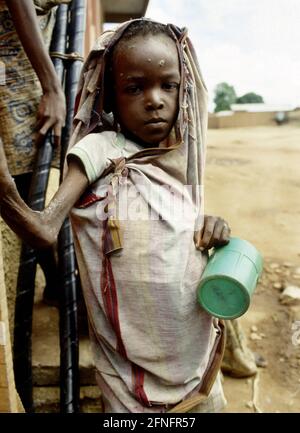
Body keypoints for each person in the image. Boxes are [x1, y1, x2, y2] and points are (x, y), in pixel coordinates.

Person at [0, 18, 232, 413]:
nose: (155, 99)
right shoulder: (100, 149)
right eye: (134, 87)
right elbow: (43, 230)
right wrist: (5, 191)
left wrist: (215, 228)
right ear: (110, 97)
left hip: (200, 370)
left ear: (184, 90)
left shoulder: (182, 157)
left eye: (168, 86)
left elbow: (176, 235)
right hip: (130, 383)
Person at [0, 0, 69, 308]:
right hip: (14, 61)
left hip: (26, 61)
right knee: (23, 184)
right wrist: (52, 87)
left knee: (31, 179)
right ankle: (54, 278)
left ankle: (53, 278)